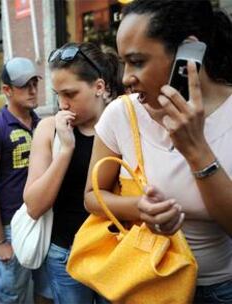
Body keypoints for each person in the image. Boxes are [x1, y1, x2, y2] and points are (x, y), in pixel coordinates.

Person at [84, 1, 232, 303]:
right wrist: (139, 208)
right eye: (124, 62)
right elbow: (92, 196)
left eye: (137, 61)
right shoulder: (121, 114)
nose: (125, 77)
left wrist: (196, 150)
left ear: (188, 53)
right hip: (147, 281)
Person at [23, 42, 123, 304]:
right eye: (58, 94)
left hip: (116, 251)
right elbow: (33, 206)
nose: (62, 103)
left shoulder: (123, 124)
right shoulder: (49, 129)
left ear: (99, 87)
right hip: (65, 252)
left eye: (70, 93)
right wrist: (66, 149)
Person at [0, 57, 53, 304]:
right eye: (23, 85)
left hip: (44, 219)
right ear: (7, 90)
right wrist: (0, 241)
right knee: (9, 297)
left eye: (34, 83)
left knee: (47, 292)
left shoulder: (42, 124)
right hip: (11, 225)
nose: (31, 90)